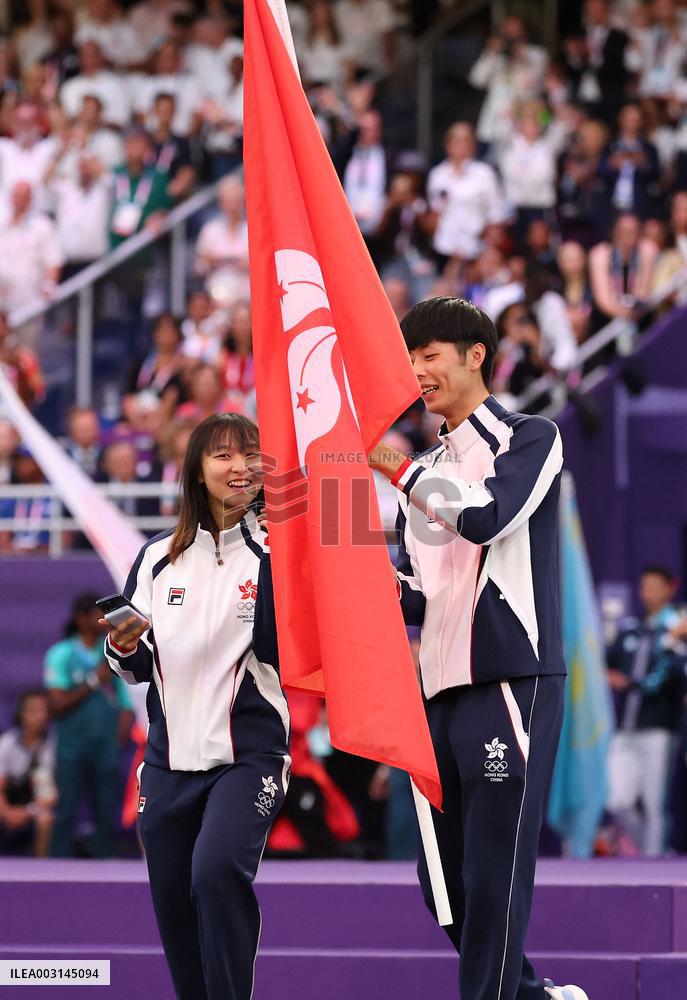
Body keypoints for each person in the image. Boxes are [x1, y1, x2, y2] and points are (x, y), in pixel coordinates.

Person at [367, 297, 586, 1000]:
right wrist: (351, 574)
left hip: (507, 680)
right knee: (445, 887)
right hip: (435, 688)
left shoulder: (531, 438)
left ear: (473, 356)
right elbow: (418, 593)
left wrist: (397, 470)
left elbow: (487, 517)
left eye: (428, 355)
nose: (416, 372)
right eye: (409, 358)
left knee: (493, 877)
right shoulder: (424, 468)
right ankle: (534, 998)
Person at [101, 412, 290, 1000]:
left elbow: (292, 650)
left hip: (249, 755)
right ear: (197, 470)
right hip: (168, 760)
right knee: (175, 909)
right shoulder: (157, 558)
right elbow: (134, 664)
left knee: (214, 874)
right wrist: (123, 643)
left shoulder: (278, 554)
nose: (239, 467)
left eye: (251, 455)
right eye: (223, 455)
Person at [44, 591, 135, 857]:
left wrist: (114, 742)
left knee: (106, 812)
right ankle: (56, 867)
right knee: (66, 810)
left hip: (105, 747)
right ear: (80, 618)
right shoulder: (61, 654)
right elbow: (57, 705)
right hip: (71, 747)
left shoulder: (111, 650)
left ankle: (104, 867)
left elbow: (127, 706)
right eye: (96, 614)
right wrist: (94, 681)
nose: (102, 619)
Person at [606, 566, 687, 856]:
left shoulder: (680, 625)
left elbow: (664, 678)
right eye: (644, 586)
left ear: (670, 588)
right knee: (617, 800)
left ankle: (654, 863)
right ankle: (652, 853)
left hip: (660, 728)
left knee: (655, 802)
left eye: (655, 586)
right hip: (625, 726)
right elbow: (608, 665)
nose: (648, 592)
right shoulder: (629, 627)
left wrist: (628, 683)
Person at [0, 689, 56, 857]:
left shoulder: (51, 747)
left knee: (45, 819)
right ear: (22, 715)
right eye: (34, 711)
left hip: (35, 806)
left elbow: (50, 795)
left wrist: (27, 811)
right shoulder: (7, 743)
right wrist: (7, 812)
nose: (40, 716)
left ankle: (41, 869)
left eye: (44, 711)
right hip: (6, 805)